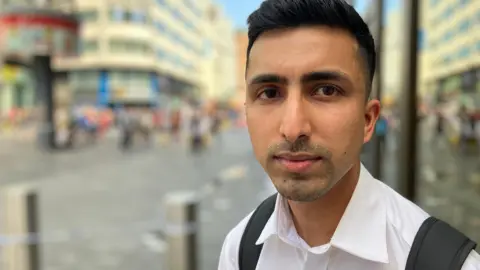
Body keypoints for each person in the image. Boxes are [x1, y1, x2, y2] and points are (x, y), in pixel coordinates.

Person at [218, 0, 480, 269]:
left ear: (368, 121)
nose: (293, 128)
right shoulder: (239, 249)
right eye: (269, 93)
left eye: (326, 90)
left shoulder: (445, 263)